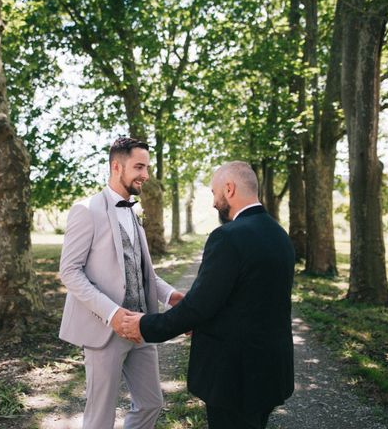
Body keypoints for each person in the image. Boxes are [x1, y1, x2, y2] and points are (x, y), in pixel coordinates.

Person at [121, 161, 295, 429]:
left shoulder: (228, 237)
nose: (214, 203)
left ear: (229, 188)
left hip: (235, 377)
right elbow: (245, 300)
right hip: (270, 370)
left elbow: (199, 306)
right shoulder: (278, 234)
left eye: (214, 193)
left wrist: (144, 325)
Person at [58, 137, 184, 429]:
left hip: (142, 325)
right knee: (100, 417)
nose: (146, 175)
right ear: (117, 166)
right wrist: (112, 314)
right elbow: (70, 271)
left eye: (147, 167)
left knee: (152, 403)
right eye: (139, 167)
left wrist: (170, 296)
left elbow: (140, 270)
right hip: (104, 330)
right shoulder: (86, 210)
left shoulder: (133, 210)